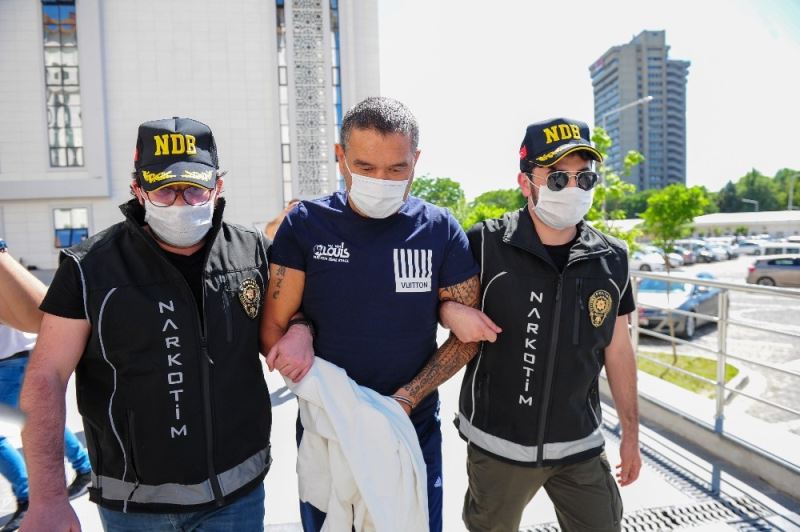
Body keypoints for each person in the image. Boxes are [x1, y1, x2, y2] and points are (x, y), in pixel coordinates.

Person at [19, 117, 309, 531]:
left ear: (217, 187)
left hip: (236, 496)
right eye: (164, 190)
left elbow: (291, 313)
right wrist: (47, 497)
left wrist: (300, 329)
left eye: (195, 189)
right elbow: (46, 376)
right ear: (138, 190)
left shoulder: (253, 253)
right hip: (134, 506)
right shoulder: (89, 269)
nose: (181, 203)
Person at [262, 97, 484, 532]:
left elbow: (468, 337)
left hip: (411, 426)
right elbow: (272, 326)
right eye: (365, 167)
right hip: (329, 428)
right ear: (340, 156)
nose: (381, 181)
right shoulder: (306, 224)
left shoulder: (439, 229)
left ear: (416, 160)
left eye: (397, 169)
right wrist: (301, 327)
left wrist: (405, 400)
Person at [442, 118, 642, 532]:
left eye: (584, 178)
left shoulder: (612, 258)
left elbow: (619, 349)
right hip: (499, 446)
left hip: (580, 444)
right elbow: (437, 300)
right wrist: (448, 312)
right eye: (557, 178)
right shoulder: (485, 243)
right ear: (525, 182)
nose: (573, 189)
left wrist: (631, 434)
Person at [0, 247, 92, 532]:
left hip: (12, 362)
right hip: (14, 360)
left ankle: (28, 494)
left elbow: (38, 312)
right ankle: (84, 465)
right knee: (38, 421)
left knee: (30, 423)